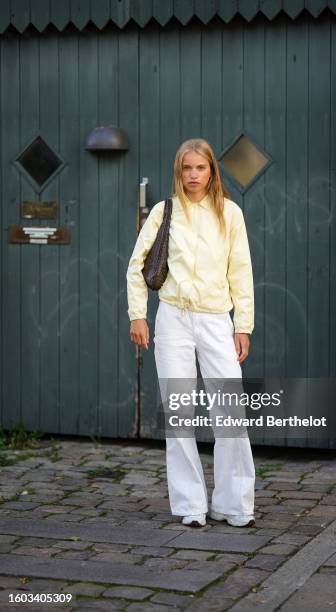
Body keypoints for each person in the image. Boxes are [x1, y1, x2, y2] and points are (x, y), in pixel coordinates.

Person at [126, 138, 256, 528]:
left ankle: (235, 505)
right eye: (187, 168)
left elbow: (241, 272)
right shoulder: (165, 212)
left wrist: (243, 325)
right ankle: (190, 506)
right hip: (173, 319)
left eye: (201, 168)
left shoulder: (230, 214)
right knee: (179, 414)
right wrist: (138, 316)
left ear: (212, 171)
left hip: (217, 320)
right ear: (178, 171)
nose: (193, 175)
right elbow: (137, 267)